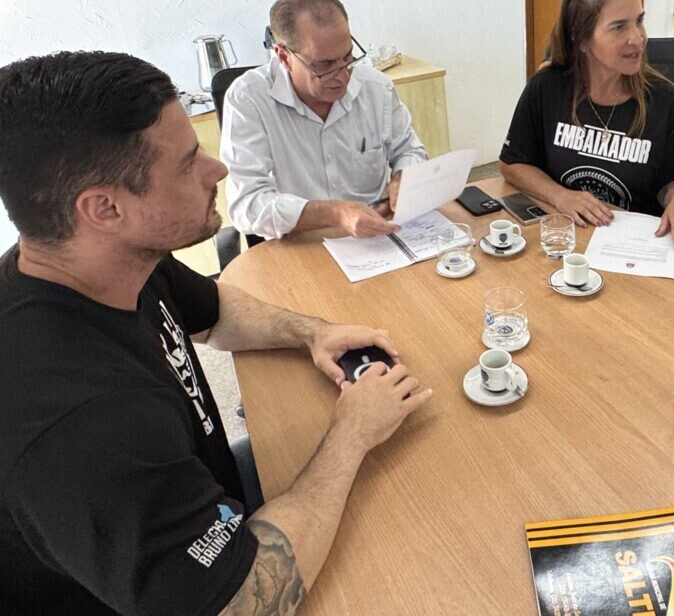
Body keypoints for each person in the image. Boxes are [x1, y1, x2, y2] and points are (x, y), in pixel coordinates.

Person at [0, 51, 432, 615]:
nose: (218, 171)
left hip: (202, 495)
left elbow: (214, 310)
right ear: (104, 208)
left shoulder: (104, 262)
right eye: (188, 163)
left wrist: (312, 332)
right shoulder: (83, 424)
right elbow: (242, 601)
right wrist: (350, 435)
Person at [499, 0, 674, 250]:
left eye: (639, 21)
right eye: (619, 27)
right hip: (564, 238)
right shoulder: (547, 88)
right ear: (581, 39)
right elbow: (513, 163)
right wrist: (559, 195)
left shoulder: (667, 102)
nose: (638, 38)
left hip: (632, 247)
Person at [221, 0, 427, 240]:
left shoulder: (376, 88)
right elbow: (247, 205)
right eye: (325, 65)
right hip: (300, 243)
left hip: (376, 236)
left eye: (348, 57)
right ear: (284, 57)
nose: (343, 76)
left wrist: (403, 178)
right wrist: (336, 214)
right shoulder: (249, 99)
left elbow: (409, 150)